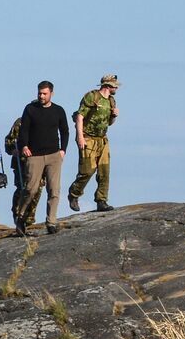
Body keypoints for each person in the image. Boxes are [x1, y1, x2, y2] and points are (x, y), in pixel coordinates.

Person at [17, 81, 70, 234]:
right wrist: (24, 146)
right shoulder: (30, 109)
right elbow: (23, 131)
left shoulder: (59, 110)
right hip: (34, 156)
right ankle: (20, 217)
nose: (41, 96)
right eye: (39, 93)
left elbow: (65, 131)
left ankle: (51, 222)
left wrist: (63, 150)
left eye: (44, 93)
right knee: (31, 189)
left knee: (54, 190)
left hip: (54, 155)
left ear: (51, 93)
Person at [69, 74, 119, 212]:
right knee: (87, 171)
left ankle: (101, 200)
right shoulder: (92, 97)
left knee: (104, 171)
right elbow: (79, 117)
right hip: (88, 138)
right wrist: (80, 137)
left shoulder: (111, 101)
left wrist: (114, 116)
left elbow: (109, 123)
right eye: (115, 85)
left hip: (102, 139)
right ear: (108, 85)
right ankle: (74, 194)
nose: (117, 88)